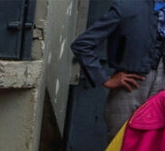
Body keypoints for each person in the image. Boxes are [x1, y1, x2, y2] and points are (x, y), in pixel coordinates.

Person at [71, 0, 165, 140]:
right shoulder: (128, 6)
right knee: (119, 149)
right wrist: (104, 79)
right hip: (129, 92)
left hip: (161, 96)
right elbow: (82, 44)